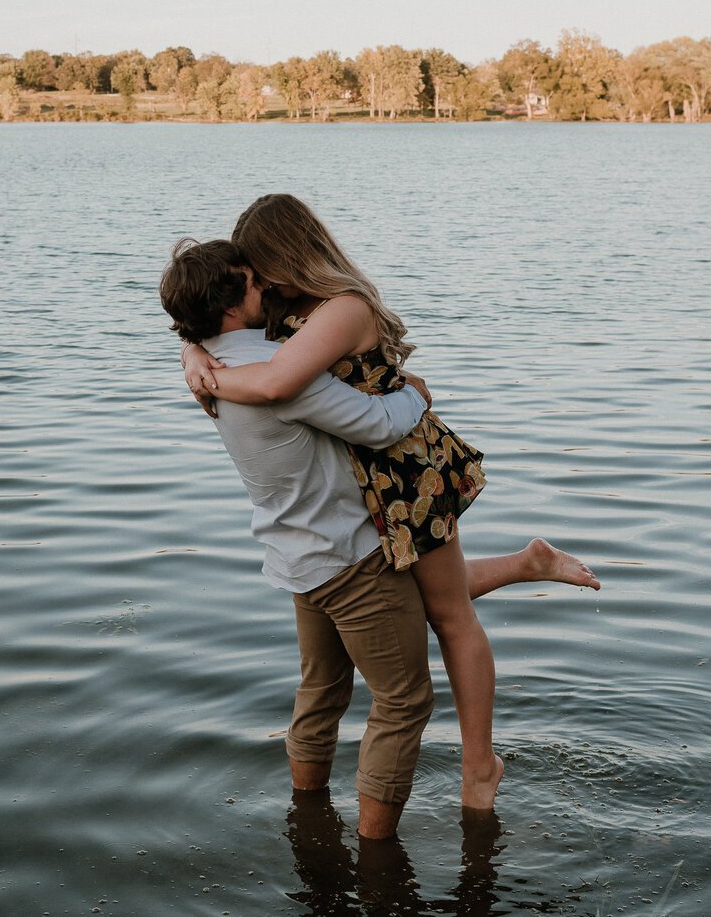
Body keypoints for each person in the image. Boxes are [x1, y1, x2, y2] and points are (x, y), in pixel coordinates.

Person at [181, 194, 600, 810]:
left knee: (448, 615)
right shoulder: (283, 309)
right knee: (428, 599)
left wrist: (206, 372)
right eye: (253, 273)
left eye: (264, 264)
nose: (260, 282)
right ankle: (528, 563)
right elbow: (227, 334)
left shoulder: (342, 308)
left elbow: (274, 382)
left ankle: (480, 766)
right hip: (367, 470)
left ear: (291, 253)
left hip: (405, 467)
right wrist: (191, 349)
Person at [160, 237, 439, 840]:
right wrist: (415, 394)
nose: (267, 287)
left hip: (294, 556)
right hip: (347, 556)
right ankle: (376, 856)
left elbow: (191, 333)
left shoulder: (210, 362)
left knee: (321, 690)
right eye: (254, 282)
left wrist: (186, 348)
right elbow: (377, 424)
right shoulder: (278, 372)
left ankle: (307, 820)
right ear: (231, 303)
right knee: (403, 702)